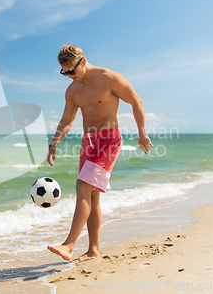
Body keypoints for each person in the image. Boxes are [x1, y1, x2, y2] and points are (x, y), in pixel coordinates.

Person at [47, 44, 153, 263]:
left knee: (82, 187)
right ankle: (93, 249)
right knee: (92, 196)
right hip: (89, 142)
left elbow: (136, 101)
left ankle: (69, 245)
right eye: (64, 72)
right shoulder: (72, 90)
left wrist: (142, 133)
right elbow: (68, 120)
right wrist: (54, 142)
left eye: (71, 71)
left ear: (83, 61)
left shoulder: (108, 78)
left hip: (109, 140)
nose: (69, 76)